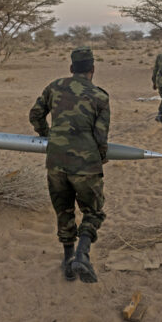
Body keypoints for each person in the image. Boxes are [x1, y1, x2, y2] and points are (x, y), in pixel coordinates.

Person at [29, 46, 110, 283]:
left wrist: (49, 135)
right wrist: (100, 156)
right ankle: (82, 254)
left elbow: (35, 115)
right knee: (93, 211)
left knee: (63, 210)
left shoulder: (54, 87)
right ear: (92, 70)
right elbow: (101, 137)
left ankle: (67, 261)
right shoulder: (100, 97)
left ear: (72, 68)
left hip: (56, 162)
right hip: (86, 165)